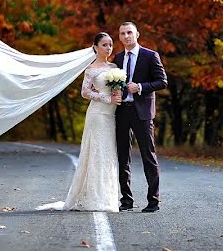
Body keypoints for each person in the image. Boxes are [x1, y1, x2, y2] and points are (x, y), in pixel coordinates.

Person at [60, 32, 122, 212]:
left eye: (110, 44)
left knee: (109, 153)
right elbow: (85, 92)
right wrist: (106, 98)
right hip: (97, 115)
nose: (108, 48)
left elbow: (116, 89)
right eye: (104, 45)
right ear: (95, 47)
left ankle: (108, 196)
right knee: (96, 153)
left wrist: (117, 94)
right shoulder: (91, 69)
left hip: (111, 115)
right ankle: (94, 197)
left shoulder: (115, 67)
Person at [113, 21, 168, 212]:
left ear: (137, 34)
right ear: (119, 37)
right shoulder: (118, 58)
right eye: (122, 33)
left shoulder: (150, 56)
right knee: (122, 157)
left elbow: (162, 82)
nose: (126, 36)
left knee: (148, 156)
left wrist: (141, 87)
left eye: (129, 32)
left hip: (142, 112)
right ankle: (126, 200)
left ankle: (153, 201)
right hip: (121, 112)